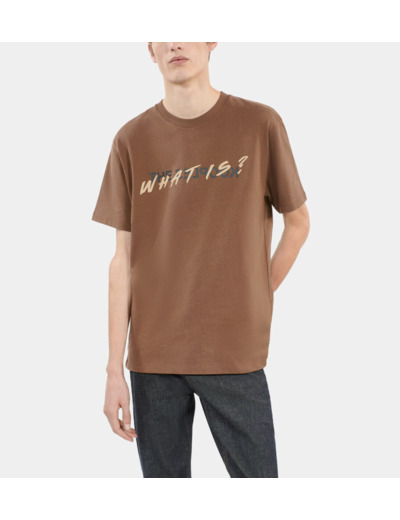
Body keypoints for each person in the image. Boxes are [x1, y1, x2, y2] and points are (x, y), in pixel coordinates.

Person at [91, 42, 310, 478]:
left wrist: (258, 291)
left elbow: (298, 223)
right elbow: (122, 260)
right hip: (154, 357)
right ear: (150, 50)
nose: (176, 42)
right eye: (164, 34)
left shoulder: (259, 124)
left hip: (233, 351)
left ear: (212, 38)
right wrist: (114, 370)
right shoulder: (131, 139)